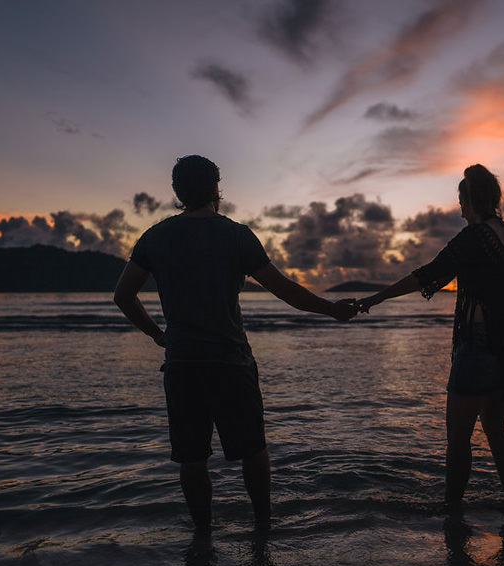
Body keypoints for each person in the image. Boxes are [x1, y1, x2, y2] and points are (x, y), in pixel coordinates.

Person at [114, 155, 356, 531]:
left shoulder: (155, 237)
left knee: (192, 459)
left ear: (177, 191)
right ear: (216, 188)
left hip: (183, 365)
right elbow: (284, 290)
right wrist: (332, 309)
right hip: (231, 363)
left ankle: (203, 537)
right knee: (253, 451)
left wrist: (158, 335)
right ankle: (262, 528)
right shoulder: (237, 236)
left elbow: (123, 296)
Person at [357, 164, 504, 509]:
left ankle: (452, 513)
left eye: (461, 201)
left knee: (458, 438)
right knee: (497, 433)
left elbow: (427, 275)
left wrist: (376, 297)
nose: (460, 209)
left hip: (479, 346)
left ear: (471, 200)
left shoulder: (473, 238)